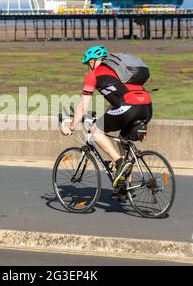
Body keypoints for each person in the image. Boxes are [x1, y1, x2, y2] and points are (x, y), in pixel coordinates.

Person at [60, 45, 153, 189]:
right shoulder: (121, 72)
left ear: (93, 61)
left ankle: (119, 163)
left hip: (128, 107)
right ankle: (125, 187)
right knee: (122, 141)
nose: (88, 67)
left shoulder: (94, 74)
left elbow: (83, 107)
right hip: (146, 107)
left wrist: (71, 126)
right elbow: (118, 100)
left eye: (88, 64)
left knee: (95, 131)